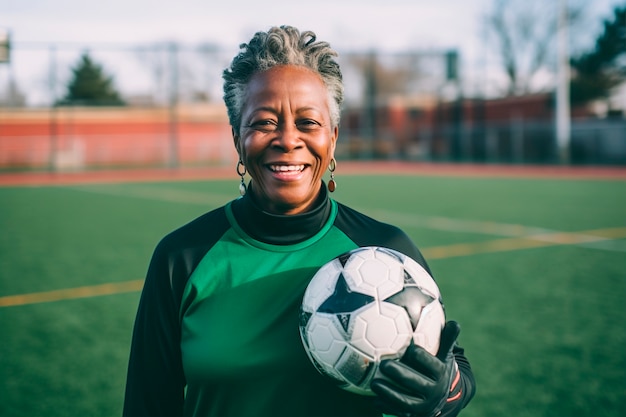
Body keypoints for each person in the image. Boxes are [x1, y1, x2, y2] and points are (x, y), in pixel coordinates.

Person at [123, 25, 475, 417]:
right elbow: (147, 401)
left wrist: (445, 392)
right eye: (263, 122)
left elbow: (453, 372)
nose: (288, 140)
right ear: (237, 138)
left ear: (333, 137)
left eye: (308, 123)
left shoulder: (386, 251)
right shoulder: (182, 257)